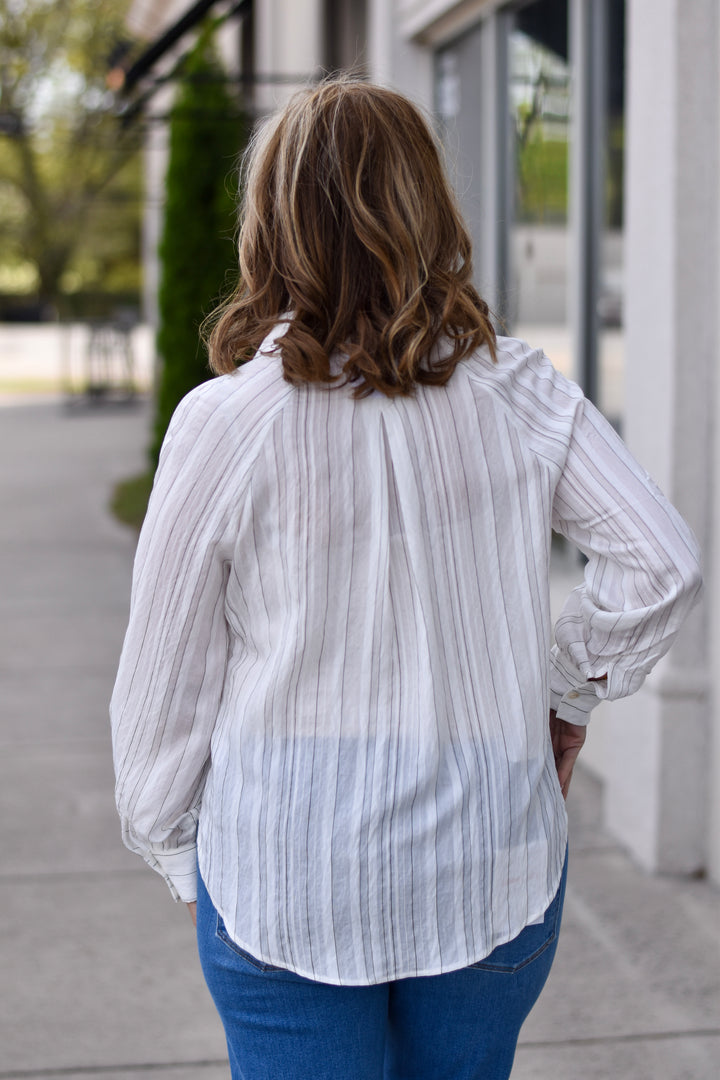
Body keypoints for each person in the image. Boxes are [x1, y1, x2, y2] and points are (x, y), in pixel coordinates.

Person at [110, 78, 701, 1080]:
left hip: (284, 871)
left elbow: (163, 683)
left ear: (275, 222)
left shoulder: (226, 423)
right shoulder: (518, 390)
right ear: (427, 207)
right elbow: (660, 562)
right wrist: (563, 697)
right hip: (491, 861)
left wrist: (177, 847)